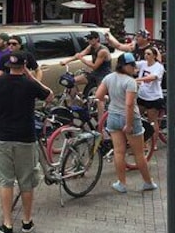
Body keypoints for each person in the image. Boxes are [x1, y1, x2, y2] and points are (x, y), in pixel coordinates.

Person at [0, 50, 53, 233]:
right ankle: (27, 221)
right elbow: (49, 96)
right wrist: (30, 75)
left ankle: (7, 223)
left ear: (8, 67)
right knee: (26, 182)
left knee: (6, 181)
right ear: (24, 66)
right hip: (26, 138)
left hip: (3, 138)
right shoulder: (30, 84)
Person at [95, 52, 158, 193]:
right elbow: (129, 104)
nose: (133, 67)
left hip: (113, 116)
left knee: (118, 152)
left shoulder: (109, 78)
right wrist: (129, 124)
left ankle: (121, 184)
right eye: (131, 65)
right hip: (129, 118)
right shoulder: (130, 82)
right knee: (139, 153)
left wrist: (111, 98)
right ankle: (148, 182)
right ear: (123, 66)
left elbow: (98, 96)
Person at [60, 31, 111, 96]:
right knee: (72, 81)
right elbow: (80, 54)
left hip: (103, 75)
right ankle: (75, 103)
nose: (89, 40)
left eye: (91, 38)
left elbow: (94, 66)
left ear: (97, 39)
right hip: (94, 73)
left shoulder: (102, 51)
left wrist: (82, 59)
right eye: (88, 38)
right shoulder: (91, 47)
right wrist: (66, 61)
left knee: (99, 97)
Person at [135, 46, 165, 145]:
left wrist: (138, 80)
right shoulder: (143, 64)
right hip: (142, 96)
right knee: (136, 117)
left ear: (155, 56)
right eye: (145, 54)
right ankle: (140, 140)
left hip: (153, 98)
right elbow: (132, 65)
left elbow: (152, 77)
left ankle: (153, 143)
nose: (146, 56)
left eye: (149, 54)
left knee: (152, 120)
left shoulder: (158, 67)